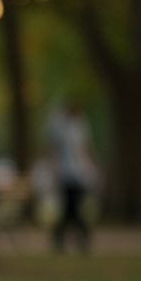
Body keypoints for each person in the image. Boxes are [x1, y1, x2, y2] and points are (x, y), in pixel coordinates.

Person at [45, 99, 98, 253]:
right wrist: (54, 170)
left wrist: (91, 167)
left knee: (72, 208)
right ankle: (80, 238)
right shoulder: (60, 128)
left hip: (79, 173)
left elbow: (85, 148)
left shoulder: (80, 126)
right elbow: (54, 150)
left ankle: (62, 238)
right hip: (65, 173)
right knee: (72, 207)